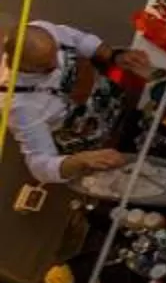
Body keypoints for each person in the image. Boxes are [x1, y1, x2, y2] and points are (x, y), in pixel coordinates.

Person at [4, 22, 130, 185]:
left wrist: (114, 56)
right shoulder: (18, 106)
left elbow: (79, 39)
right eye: (45, 66)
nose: (57, 64)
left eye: (55, 53)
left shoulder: (41, 31)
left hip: (118, 100)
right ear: (20, 66)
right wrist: (80, 160)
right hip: (104, 146)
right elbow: (40, 165)